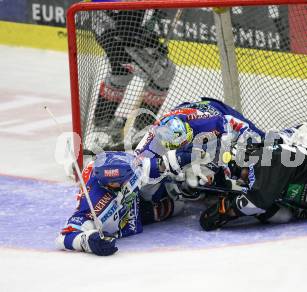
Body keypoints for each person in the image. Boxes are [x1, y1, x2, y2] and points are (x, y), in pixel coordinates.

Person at [55, 149, 196, 256]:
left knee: (167, 188)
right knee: (178, 206)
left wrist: (186, 156)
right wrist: (90, 242)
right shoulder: (93, 205)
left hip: (132, 202)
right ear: (113, 183)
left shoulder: (122, 171)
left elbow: (152, 166)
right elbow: (64, 237)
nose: (133, 174)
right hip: (130, 220)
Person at [89, 4, 175, 146]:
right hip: (113, 27)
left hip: (116, 26)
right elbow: (127, 26)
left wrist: (148, 37)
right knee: (164, 73)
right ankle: (140, 137)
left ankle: (102, 129)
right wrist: (144, 39)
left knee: (121, 72)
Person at [134, 97, 265, 160]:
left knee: (259, 138)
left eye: (186, 141)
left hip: (216, 109)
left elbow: (232, 122)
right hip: (185, 112)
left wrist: (250, 137)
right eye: (178, 145)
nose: (183, 145)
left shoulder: (204, 123)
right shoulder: (152, 137)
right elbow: (136, 162)